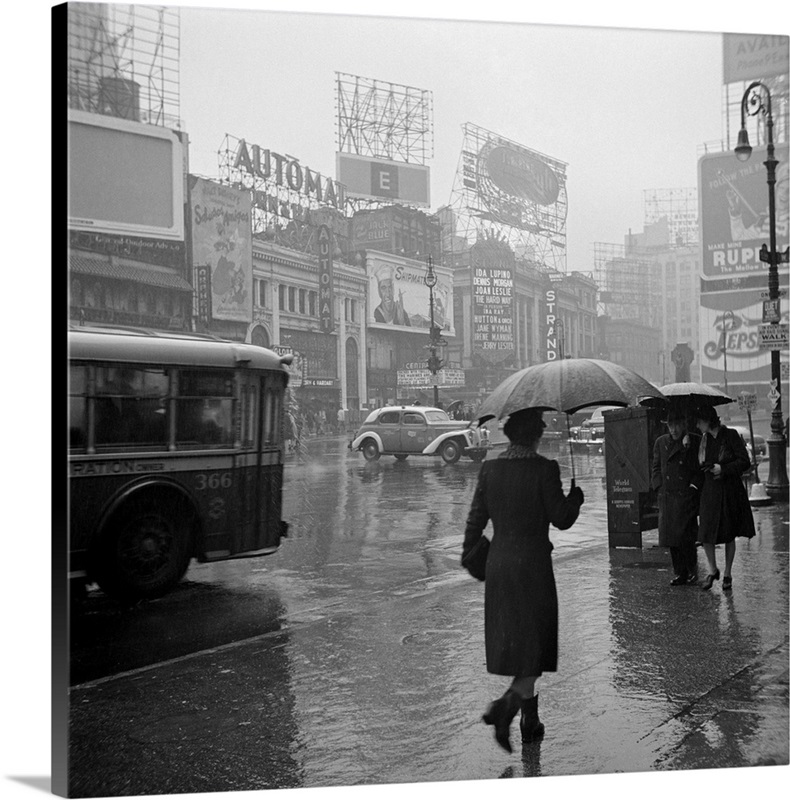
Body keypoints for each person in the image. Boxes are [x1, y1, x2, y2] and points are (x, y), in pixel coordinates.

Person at [462, 408, 584, 753]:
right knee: (535, 649)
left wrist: (476, 558)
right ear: (536, 435)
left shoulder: (490, 469)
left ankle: (528, 720)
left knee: (523, 651)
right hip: (533, 570)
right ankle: (506, 710)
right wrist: (576, 498)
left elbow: (474, 523)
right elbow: (561, 518)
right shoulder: (545, 469)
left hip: (501, 568)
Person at [694, 405, 756, 591]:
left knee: (729, 533)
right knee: (705, 533)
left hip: (730, 491)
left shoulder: (730, 435)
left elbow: (744, 461)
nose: (697, 425)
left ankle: (727, 573)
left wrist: (724, 469)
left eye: (699, 421)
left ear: (708, 420)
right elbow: (699, 465)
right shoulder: (703, 440)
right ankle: (713, 570)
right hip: (710, 492)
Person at [651, 408, 703, 586]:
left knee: (686, 537)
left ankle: (691, 569)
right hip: (667, 496)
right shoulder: (661, 442)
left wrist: (693, 488)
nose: (673, 429)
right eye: (670, 425)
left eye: (676, 425)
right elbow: (656, 467)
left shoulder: (692, 441)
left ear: (683, 425)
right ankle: (680, 572)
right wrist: (658, 486)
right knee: (671, 538)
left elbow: (699, 469)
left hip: (684, 496)